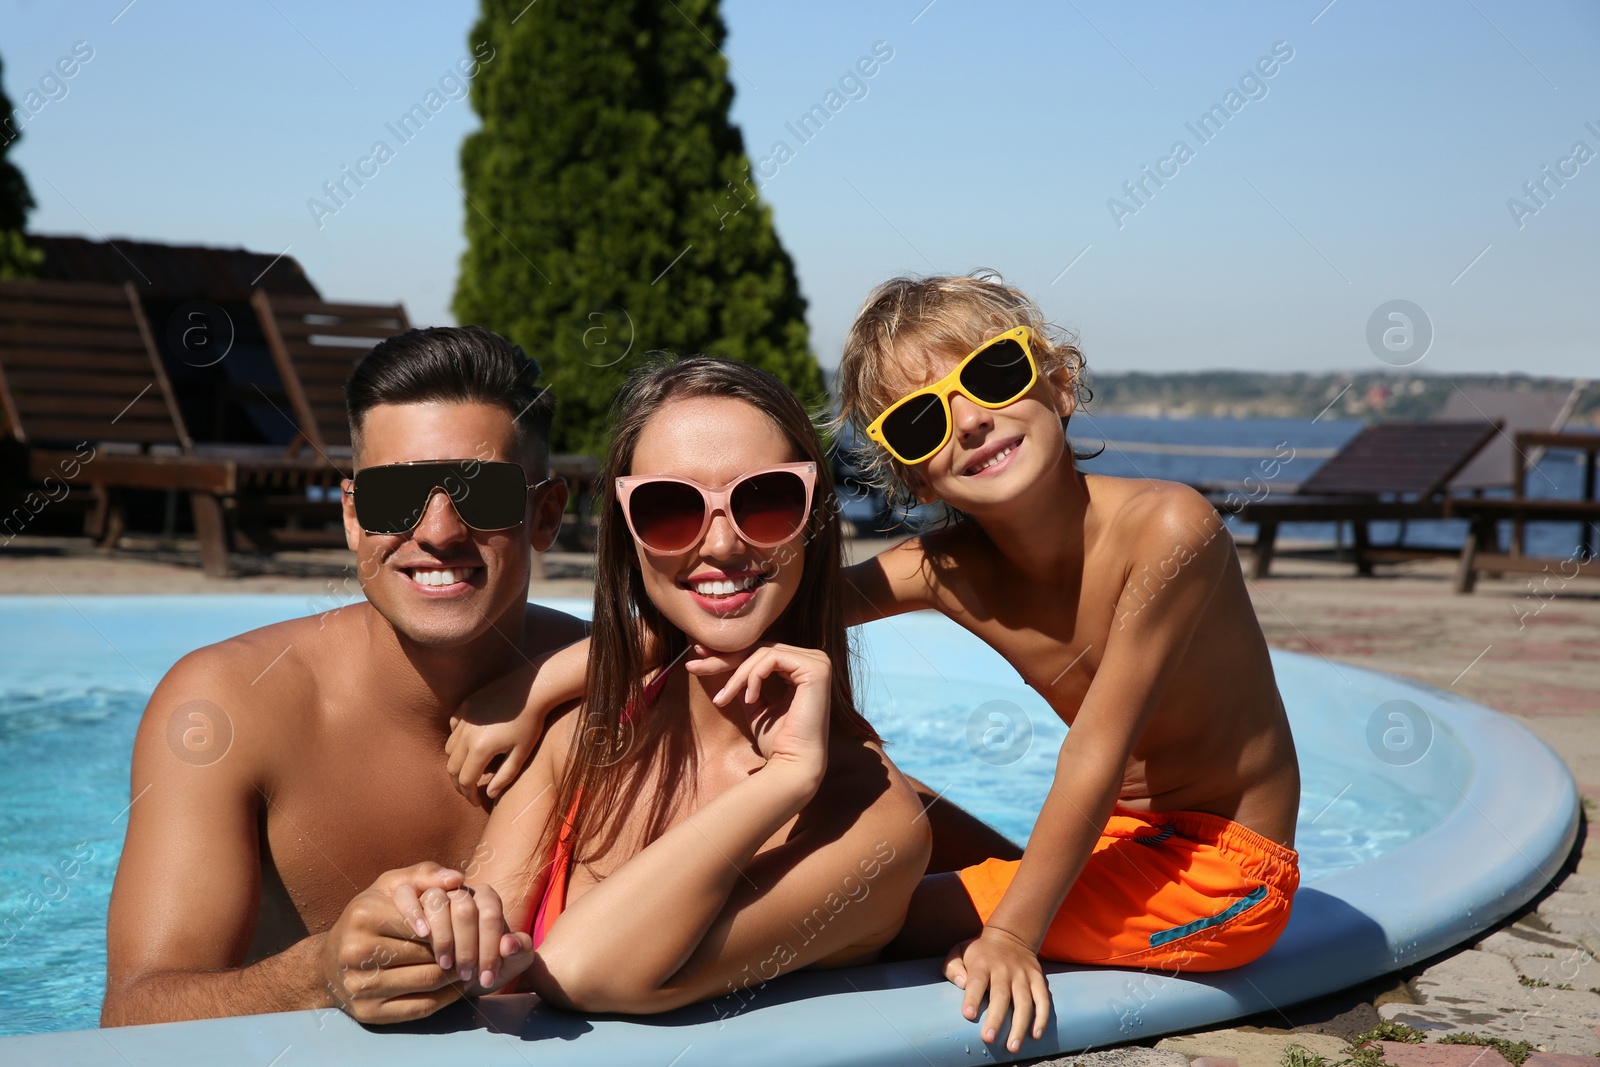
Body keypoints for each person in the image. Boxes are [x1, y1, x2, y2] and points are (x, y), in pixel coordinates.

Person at [445, 274, 1302, 1054]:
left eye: (995, 376)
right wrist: (539, 690)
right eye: (923, 419)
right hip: (1121, 836)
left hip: (1223, 868)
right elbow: (753, 600)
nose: (969, 419)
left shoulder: (1168, 529)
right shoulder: (946, 568)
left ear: (1061, 385)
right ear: (914, 476)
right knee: (886, 854)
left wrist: (1009, 935)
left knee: (878, 907)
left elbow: (1095, 754)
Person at [383, 356, 932, 1014]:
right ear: (628, 535)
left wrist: (784, 780)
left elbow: (587, 968)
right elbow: (478, 967)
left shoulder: (876, 827)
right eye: (669, 508)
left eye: (766, 498)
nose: (723, 545)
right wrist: (427, 916)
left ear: (814, 519)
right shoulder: (581, 737)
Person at [101, 326, 587, 1025]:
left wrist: (575, 670)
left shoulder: (609, 688)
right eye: (397, 496)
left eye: (481, 492)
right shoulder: (231, 705)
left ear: (545, 515)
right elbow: (128, 1018)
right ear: (354, 516)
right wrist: (315, 975)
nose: (439, 530)